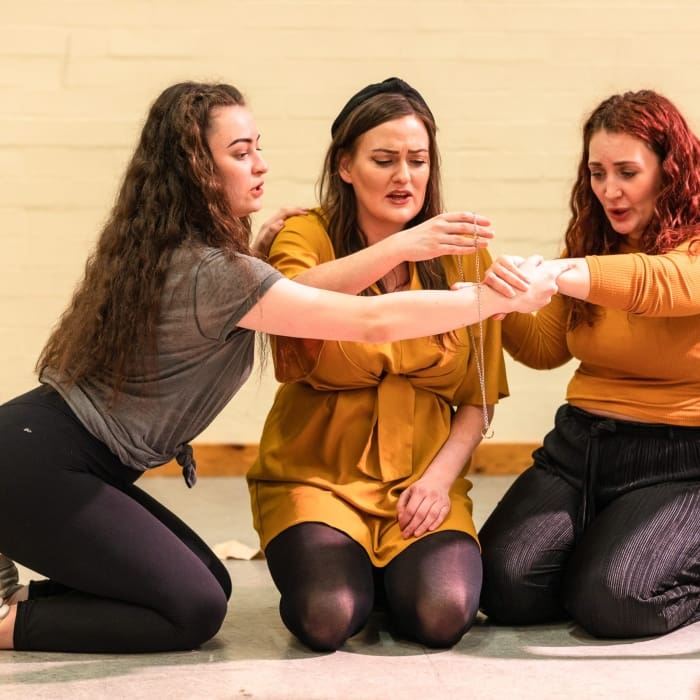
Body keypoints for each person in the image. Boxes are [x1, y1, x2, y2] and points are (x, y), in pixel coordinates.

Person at [0, 81, 561, 654]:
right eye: (241, 153)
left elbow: (278, 290)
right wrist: (488, 297)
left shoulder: (203, 256)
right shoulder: (217, 273)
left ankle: (16, 598)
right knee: (193, 611)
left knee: (208, 586)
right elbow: (368, 322)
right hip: (37, 459)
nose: (261, 166)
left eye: (257, 147)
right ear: (197, 169)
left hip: (58, 456)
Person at [247, 77, 520, 652]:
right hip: (316, 477)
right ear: (345, 165)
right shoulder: (307, 232)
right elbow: (287, 300)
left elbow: (479, 397)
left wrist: (439, 481)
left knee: (443, 616)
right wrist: (401, 245)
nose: (405, 177)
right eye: (384, 159)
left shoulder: (465, 250)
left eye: (418, 160)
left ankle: (388, 572)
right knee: (326, 617)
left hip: (421, 480)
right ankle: (347, 571)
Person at [477, 89, 700, 639]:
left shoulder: (688, 248)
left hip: (679, 461)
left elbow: (658, 285)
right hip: (580, 450)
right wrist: (495, 283)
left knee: (612, 601)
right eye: (597, 172)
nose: (609, 190)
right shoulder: (593, 245)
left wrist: (559, 272)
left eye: (627, 171)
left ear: (670, 171)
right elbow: (545, 348)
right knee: (500, 586)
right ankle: (614, 547)